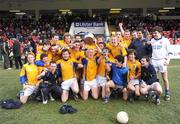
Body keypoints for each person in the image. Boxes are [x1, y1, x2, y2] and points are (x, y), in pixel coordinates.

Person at [150, 26, 171, 101]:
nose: (154, 34)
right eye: (153, 33)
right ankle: (153, 92)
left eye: (156, 33)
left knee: (164, 78)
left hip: (162, 61)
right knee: (153, 78)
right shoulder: (152, 40)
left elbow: (170, 52)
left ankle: (167, 92)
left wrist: (168, 60)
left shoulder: (165, 40)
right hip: (154, 61)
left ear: (160, 33)